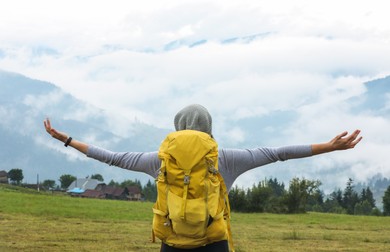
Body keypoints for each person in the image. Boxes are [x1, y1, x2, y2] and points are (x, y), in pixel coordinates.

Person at [44, 104, 362, 252]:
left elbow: (110, 156)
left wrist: (67, 140)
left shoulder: (159, 161)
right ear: (209, 129)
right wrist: (329, 147)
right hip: (214, 243)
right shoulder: (226, 159)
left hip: (172, 243)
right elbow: (279, 152)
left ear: (177, 127)